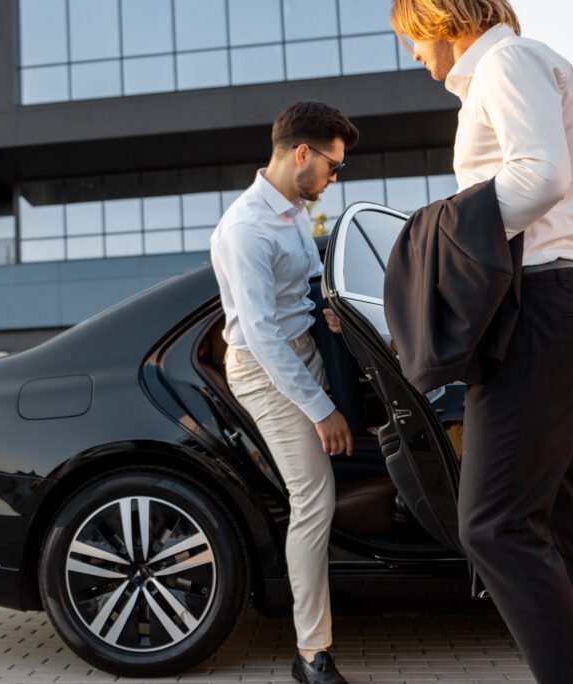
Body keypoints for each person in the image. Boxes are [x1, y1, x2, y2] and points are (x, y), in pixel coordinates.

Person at [389, 1, 573, 681]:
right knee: (563, 533)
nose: (412, 55)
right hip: (555, 308)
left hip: (540, 312)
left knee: (494, 527)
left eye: (411, 39)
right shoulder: (516, 65)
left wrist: (449, 235)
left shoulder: (505, 61)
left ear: (439, 20)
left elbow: (539, 175)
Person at [209, 101, 358, 684]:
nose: (334, 177)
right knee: (313, 497)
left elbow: (297, 293)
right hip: (265, 370)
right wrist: (321, 411)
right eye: (333, 166)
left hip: (304, 351)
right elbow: (262, 335)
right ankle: (311, 654)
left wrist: (329, 311)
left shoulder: (294, 209)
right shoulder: (245, 229)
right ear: (303, 154)